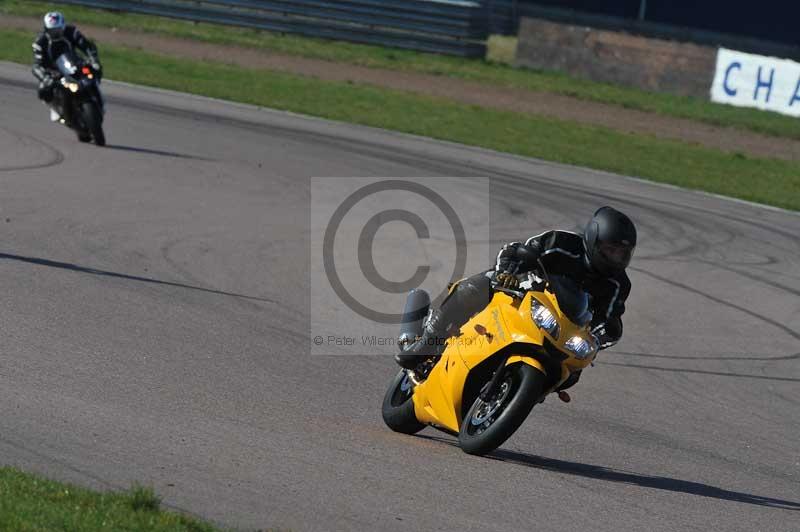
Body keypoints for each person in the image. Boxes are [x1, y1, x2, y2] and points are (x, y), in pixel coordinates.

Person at [395, 206, 637, 392]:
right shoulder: (561, 242)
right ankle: (426, 341)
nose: (616, 258)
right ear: (594, 239)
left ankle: (520, 391)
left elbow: (610, 321)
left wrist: (596, 339)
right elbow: (516, 249)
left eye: (622, 253)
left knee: (572, 374)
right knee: (479, 286)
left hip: (560, 328)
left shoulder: (619, 284)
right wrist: (507, 273)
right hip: (521, 293)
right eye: (611, 249)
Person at [32, 11, 102, 122]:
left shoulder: (72, 32)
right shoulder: (40, 43)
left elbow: (87, 46)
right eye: (52, 31)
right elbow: (36, 65)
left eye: (58, 29)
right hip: (55, 72)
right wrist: (45, 77)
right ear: (46, 29)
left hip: (75, 64)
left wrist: (94, 59)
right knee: (43, 90)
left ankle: (98, 95)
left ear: (63, 26)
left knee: (94, 69)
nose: (56, 33)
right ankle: (54, 109)